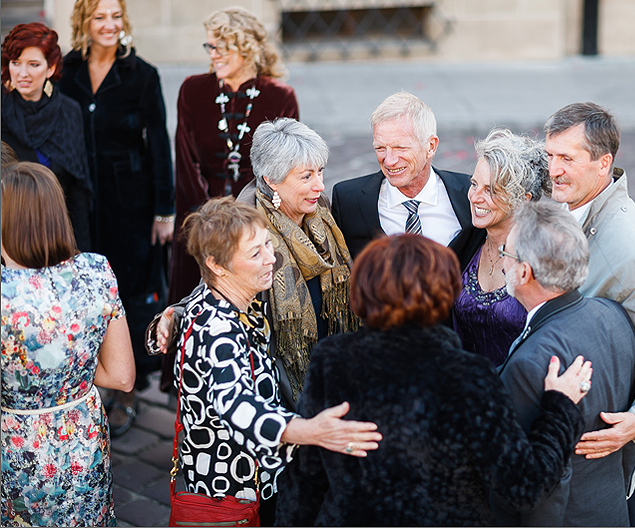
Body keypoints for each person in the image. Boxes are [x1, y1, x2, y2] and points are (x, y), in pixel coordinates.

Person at [275, 233, 593, 526]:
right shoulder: (468, 376)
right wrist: (560, 408)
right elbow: (524, 486)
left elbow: (306, 477)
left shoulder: (332, 360)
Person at [174, 196, 381, 526]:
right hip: (235, 489)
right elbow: (237, 404)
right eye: (255, 253)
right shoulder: (218, 330)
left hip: (256, 474)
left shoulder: (233, 298)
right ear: (216, 264)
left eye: (268, 244)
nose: (272, 258)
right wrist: (311, 431)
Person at [543, 102, 635, 525]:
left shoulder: (627, 251)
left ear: (604, 163)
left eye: (567, 159)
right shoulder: (563, 193)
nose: (552, 170)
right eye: (549, 155)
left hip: (589, 453)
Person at [154, 119, 359, 411]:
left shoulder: (319, 207)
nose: (319, 185)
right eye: (306, 177)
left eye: (320, 172)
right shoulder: (245, 226)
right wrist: (175, 316)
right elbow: (216, 287)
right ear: (272, 180)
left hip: (332, 364)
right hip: (285, 387)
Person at [58, 0, 176, 436]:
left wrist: (164, 210)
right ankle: (92, 379)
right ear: (84, 22)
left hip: (132, 204)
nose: (108, 25)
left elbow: (159, 146)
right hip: (79, 205)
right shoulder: (65, 69)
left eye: (115, 17)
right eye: (99, 17)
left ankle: (127, 388)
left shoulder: (142, 74)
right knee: (86, 290)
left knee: (127, 291)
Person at [1, 162, 135, 527]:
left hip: (18, 446)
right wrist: (68, 362)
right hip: (83, 437)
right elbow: (123, 377)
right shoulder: (96, 272)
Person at [496, 200, 635, 526]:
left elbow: (531, 484)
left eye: (506, 251)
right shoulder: (614, 315)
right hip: (610, 508)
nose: (501, 261)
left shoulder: (532, 365)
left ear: (523, 271)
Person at [169, 6, 300, 306]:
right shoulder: (192, 90)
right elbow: (186, 162)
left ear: (246, 47)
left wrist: (248, 221)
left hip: (257, 218)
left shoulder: (280, 96)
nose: (213, 53)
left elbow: (282, 169)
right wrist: (205, 221)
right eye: (209, 46)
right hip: (198, 216)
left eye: (221, 47)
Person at [331, 91, 485, 270]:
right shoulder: (348, 200)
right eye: (380, 148)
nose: (389, 160)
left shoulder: (469, 194)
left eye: (400, 147)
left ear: (431, 146)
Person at [452, 128, 550, 366]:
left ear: (523, 200)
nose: (475, 197)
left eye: (491, 190)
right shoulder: (466, 242)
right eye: (474, 184)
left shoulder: (542, 259)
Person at [1, 22, 93, 251]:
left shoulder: (69, 112)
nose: (22, 73)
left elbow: (78, 189)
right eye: (15, 63)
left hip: (53, 238)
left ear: (50, 68)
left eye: (33, 64)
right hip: (6, 239)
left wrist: (79, 253)